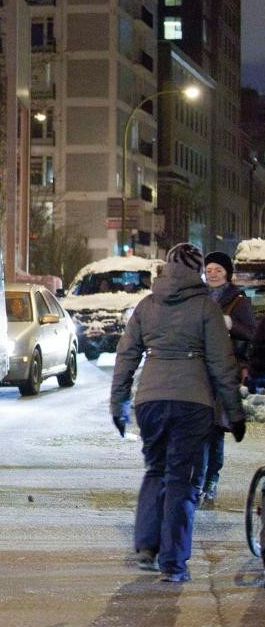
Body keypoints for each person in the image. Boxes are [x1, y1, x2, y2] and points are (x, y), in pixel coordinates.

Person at [110, 242, 245, 583]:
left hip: (150, 401)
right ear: (198, 270)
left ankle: (146, 547)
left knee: (155, 470)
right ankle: (173, 563)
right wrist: (234, 412)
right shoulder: (206, 309)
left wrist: (119, 403)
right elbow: (221, 364)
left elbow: (126, 357)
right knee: (182, 480)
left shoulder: (147, 305)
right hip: (193, 401)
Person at [194, 250, 255, 505]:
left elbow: (252, 333)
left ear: (227, 273)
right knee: (199, 428)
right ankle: (197, 479)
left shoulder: (238, 301)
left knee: (215, 429)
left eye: (218, 270)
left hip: (225, 372)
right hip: (198, 371)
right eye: (209, 271)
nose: (213, 274)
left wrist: (231, 324)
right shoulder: (198, 299)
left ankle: (211, 479)